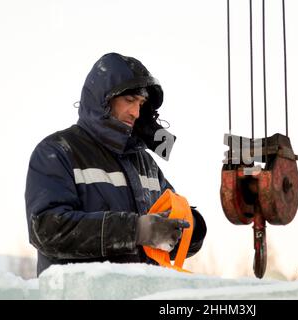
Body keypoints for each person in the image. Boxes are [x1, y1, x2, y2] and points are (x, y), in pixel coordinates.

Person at [25, 52, 207, 276]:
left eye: (141, 103)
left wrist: (192, 228)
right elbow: (47, 229)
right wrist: (135, 230)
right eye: (129, 100)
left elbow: (173, 224)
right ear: (103, 99)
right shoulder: (57, 151)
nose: (136, 112)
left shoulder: (145, 163)